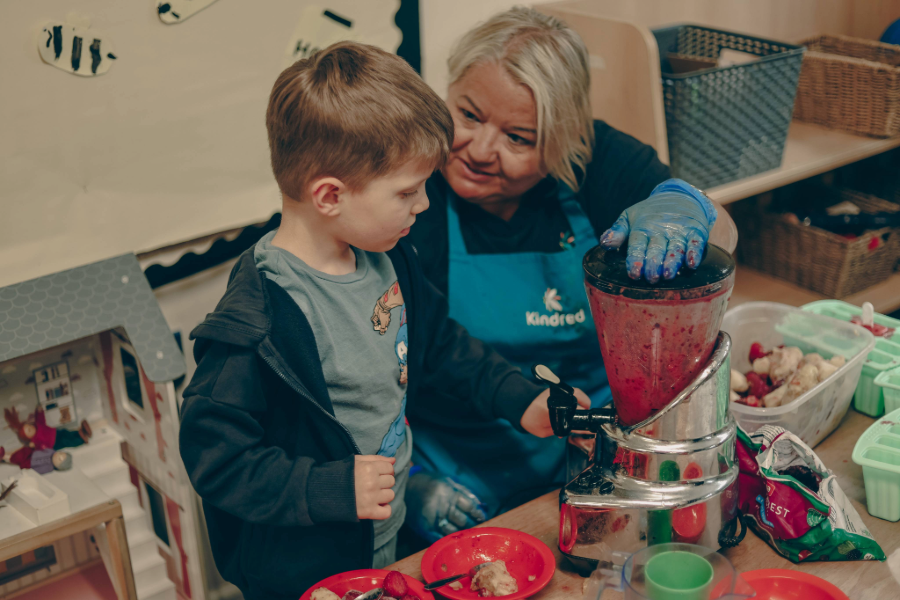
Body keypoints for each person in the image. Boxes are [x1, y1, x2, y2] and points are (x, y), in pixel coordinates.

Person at [178, 41, 590, 600]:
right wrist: (328, 488)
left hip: (383, 540)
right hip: (305, 574)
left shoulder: (386, 255)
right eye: (407, 191)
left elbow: (440, 346)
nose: (423, 205)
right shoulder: (258, 319)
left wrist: (519, 398)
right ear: (330, 195)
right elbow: (216, 458)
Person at [404, 7, 739, 542]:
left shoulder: (595, 159)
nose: (480, 150)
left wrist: (685, 207)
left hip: (591, 460)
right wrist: (408, 483)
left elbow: (720, 230)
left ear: (565, 137)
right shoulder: (409, 193)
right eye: (467, 115)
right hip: (458, 474)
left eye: (519, 138)